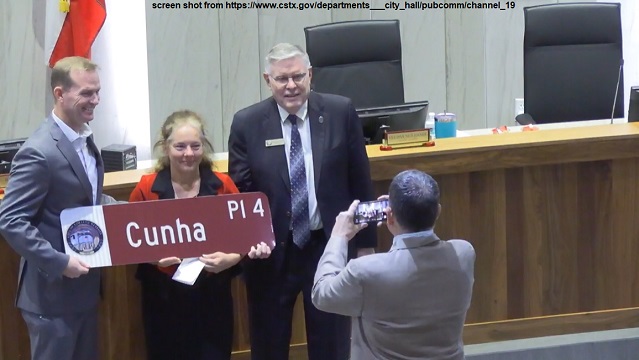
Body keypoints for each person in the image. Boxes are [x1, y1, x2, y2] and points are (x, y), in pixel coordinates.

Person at [228, 43, 377, 360]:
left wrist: (366, 245)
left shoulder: (340, 112)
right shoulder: (247, 123)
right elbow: (241, 193)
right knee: (269, 343)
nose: (291, 86)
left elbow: (360, 181)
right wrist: (250, 239)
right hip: (269, 254)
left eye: (297, 76)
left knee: (332, 344)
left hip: (328, 248)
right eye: (282, 79)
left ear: (310, 75)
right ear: (268, 80)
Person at [0, 56, 117, 360]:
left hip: (84, 292)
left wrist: (133, 214)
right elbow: (11, 220)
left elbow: (90, 200)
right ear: (59, 93)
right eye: (86, 93)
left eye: (97, 92)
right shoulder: (39, 152)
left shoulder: (84, 137)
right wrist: (60, 262)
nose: (95, 100)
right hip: (51, 297)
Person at [128, 110, 270, 360]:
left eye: (195, 146)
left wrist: (232, 259)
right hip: (162, 296)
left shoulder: (223, 185)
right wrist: (152, 258)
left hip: (212, 294)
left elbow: (245, 236)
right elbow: (129, 241)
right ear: (166, 147)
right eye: (180, 146)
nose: (188, 154)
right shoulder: (146, 188)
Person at [312, 170, 475, 360]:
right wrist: (402, 213)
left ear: (389, 216)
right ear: (437, 211)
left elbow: (321, 294)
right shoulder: (463, 254)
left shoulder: (365, 271)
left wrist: (338, 237)